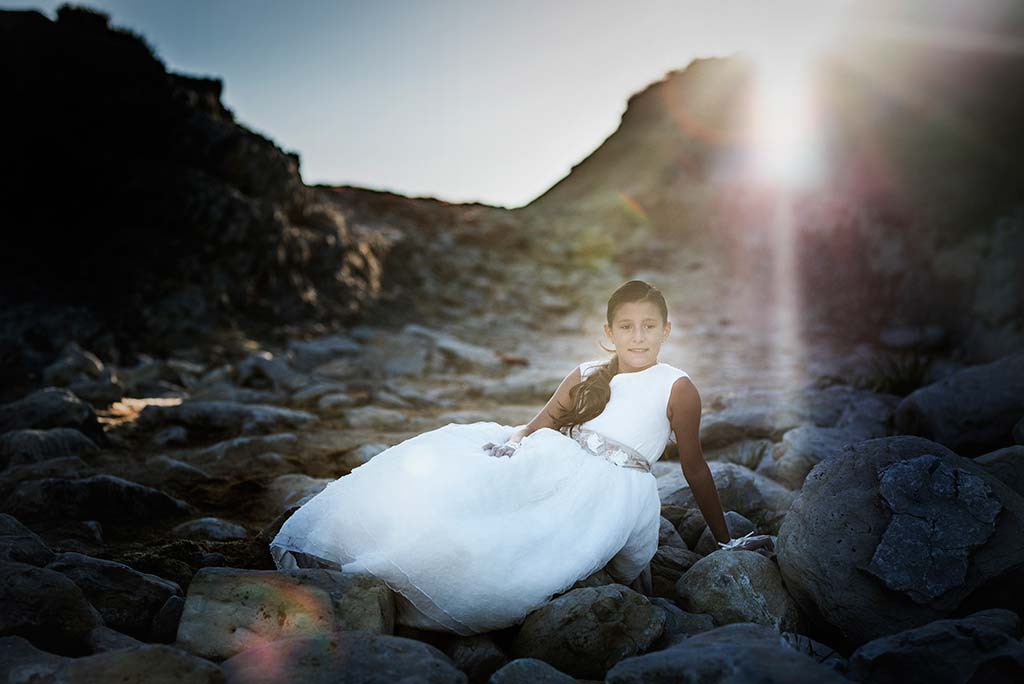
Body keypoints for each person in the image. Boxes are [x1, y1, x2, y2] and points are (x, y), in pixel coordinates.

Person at [269, 280, 772, 636]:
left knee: (517, 551)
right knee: (461, 480)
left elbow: (694, 467)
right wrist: (514, 446)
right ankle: (358, 551)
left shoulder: (677, 387)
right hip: (554, 458)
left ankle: (414, 579)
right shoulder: (586, 372)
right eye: (626, 326)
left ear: (666, 330)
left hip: (614, 490)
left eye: (648, 326)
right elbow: (545, 421)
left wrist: (724, 540)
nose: (637, 337)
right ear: (609, 331)